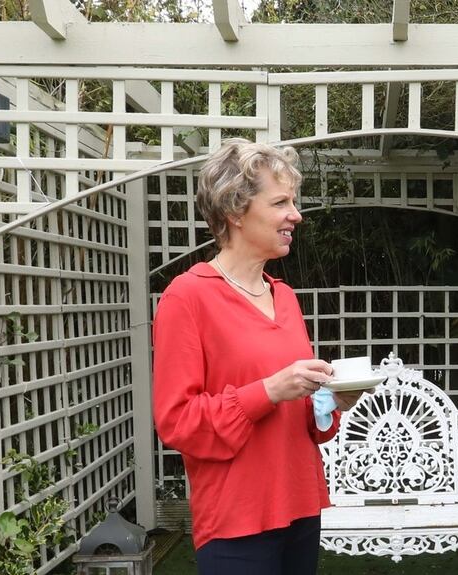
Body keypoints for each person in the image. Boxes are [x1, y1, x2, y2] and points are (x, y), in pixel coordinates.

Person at [152, 138, 363, 575]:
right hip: (236, 519)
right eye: (281, 202)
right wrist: (267, 391)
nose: (296, 215)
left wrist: (330, 402)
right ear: (235, 211)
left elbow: (301, 414)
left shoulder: (284, 297)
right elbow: (176, 421)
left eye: (293, 202)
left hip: (300, 507)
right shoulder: (186, 298)